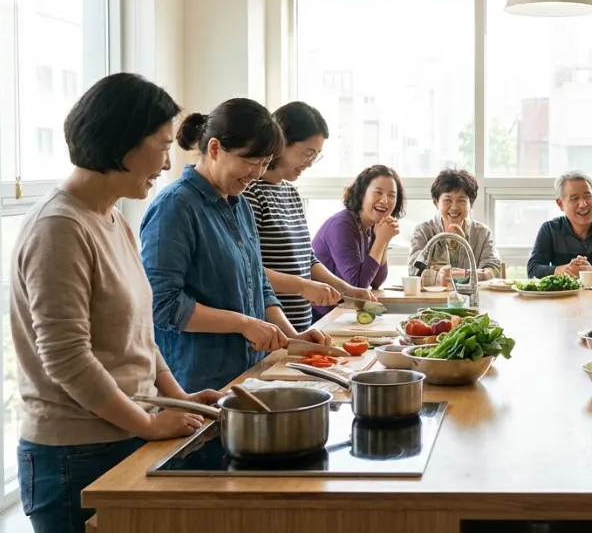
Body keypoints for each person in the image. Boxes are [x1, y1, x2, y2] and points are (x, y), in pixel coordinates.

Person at [11, 73, 220, 533]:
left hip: (121, 433)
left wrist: (178, 398)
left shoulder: (112, 219)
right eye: (162, 146)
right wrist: (146, 423)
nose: (167, 163)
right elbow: (66, 357)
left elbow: (139, 333)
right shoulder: (59, 227)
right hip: (73, 452)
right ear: (122, 142)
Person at [141, 98, 331, 393]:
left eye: (265, 164)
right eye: (251, 162)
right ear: (215, 149)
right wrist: (243, 323)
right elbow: (162, 305)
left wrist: (292, 338)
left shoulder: (239, 204)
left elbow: (259, 284)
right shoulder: (175, 206)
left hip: (247, 373)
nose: (257, 174)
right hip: (197, 382)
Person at [243, 102, 374, 331]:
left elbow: (308, 259)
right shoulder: (250, 193)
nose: (310, 163)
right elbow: (246, 268)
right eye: (307, 153)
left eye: (316, 155)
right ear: (280, 141)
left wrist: (346, 290)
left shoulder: (291, 193)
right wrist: (303, 286)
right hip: (268, 329)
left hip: (300, 326)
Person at [312, 165, 405, 305]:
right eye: (378, 192)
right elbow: (357, 285)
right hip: (322, 313)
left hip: (343, 309)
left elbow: (377, 281)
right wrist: (381, 240)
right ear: (362, 194)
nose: (385, 200)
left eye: (391, 195)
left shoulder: (372, 225)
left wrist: (384, 240)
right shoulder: (342, 224)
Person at [527, 171, 592, 279]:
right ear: (560, 204)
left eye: (588, 196)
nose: (583, 204)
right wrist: (563, 270)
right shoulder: (549, 229)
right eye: (574, 198)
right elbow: (533, 270)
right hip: (564, 290)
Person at [408, 169, 502, 287]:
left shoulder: (482, 233)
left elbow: (494, 270)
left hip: (473, 297)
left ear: (471, 204)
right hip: (433, 297)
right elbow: (413, 271)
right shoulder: (423, 231)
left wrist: (466, 273)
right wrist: (439, 274)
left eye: (461, 200)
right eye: (447, 200)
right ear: (436, 203)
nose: (454, 207)